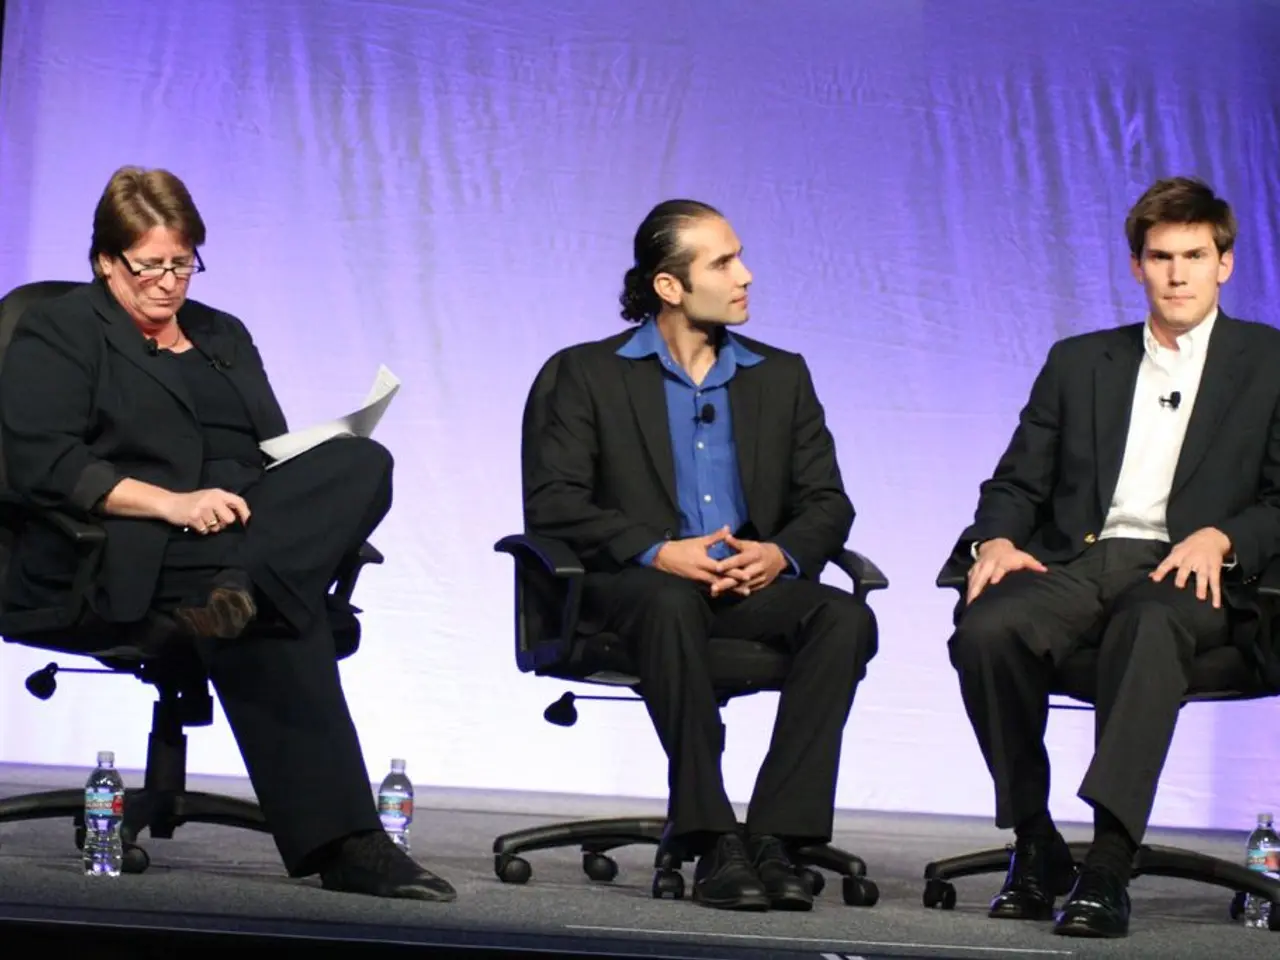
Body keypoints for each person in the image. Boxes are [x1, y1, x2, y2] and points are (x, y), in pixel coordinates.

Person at [0, 166, 455, 902]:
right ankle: (348, 842)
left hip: (235, 531)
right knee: (282, 605)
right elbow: (44, 465)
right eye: (150, 265)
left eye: (183, 262)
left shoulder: (221, 333)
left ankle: (242, 583)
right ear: (105, 261)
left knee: (362, 458)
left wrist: (271, 481)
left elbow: (268, 450)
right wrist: (175, 504)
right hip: (126, 544)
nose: (169, 283)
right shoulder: (62, 330)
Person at [946, 176, 1280, 938]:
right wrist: (993, 540)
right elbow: (1016, 481)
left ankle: (1107, 861)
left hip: (1197, 571)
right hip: (1082, 561)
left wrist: (1223, 536)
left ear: (1224, 263)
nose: (1178, 274)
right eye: (1160, 257)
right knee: (986, 630)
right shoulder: (1078, 361)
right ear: (1136, 266)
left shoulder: (1269, 361)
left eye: (1195, 255)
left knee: (1148, 627)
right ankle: (1034, 840)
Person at [526, 199, 876, 912]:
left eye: (739, 256)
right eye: (723, 262)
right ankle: (710, 835)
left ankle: (780, 839)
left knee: (844, 619)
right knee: (666, 600)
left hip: (746, 590)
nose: (745, 274)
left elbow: (828, 503)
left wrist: (780, 554)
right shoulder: (584, 374)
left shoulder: (780, 376)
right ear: (669, 285)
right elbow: (555, 504)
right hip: (633, 590)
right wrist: (658, 552)